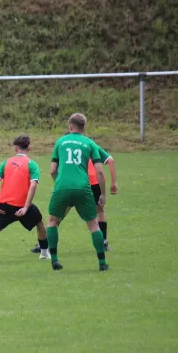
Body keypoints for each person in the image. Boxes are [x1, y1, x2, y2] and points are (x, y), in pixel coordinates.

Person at [47, 113, 109, 271]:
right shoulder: (89, 143)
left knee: (53, 221)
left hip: (62, 187)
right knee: (93, 224)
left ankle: (54, 260)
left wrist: (60, 184)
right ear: (84, 127)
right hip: (83, 187)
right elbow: (100, 172)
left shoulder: (60, 142)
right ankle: (102, 263)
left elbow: (52, 170)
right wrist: (102, 194)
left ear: (70, 126)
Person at [30, 142, 118, 252]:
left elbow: (53, 169)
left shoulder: (65, 146)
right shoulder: (90, 144)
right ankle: (103, 242)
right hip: (94, 181)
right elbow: (110, 160)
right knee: (99, 211)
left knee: (57, 215)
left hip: (75, 182)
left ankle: (44, 243)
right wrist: (114, 182)